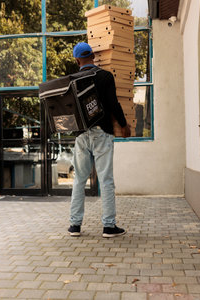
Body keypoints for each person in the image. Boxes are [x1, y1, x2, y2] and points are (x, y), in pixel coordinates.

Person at [68, 42, 131, 238]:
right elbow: (113, 103)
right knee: (106, 180)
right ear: (93, 56)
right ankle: (108, 227)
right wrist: (123, 124)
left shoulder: (72, 80)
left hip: (81, 135)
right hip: (102, 132)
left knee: (79, 180)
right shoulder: (104, 76)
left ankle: (74, 226)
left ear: (77, 60)